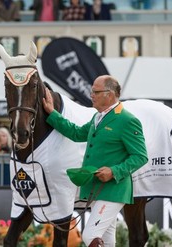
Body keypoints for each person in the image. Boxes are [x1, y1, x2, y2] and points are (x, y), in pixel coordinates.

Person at [42, 75, 148, 246]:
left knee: (89, 236)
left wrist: (114, 171)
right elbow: (76, 133)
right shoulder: (97, 117)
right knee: (106, 241)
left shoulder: (127, 120)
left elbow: (141, 156)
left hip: (114, 190)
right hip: (98, 189)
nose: (91, 95)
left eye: (96, 92)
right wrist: (52, 114)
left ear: (110, 94)